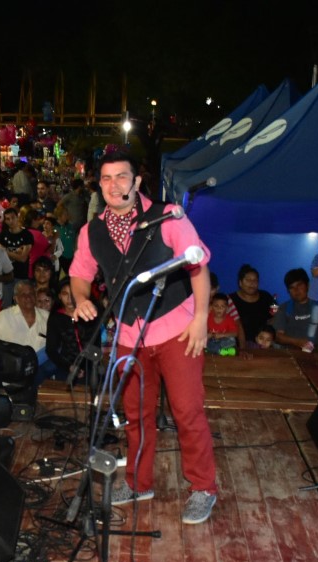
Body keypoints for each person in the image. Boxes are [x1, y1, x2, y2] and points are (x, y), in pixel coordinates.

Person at [68, 152, 218, 524]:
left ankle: (203, 488)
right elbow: (80, 273)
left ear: (137, 182)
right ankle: (139, 482)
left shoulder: (167, 217)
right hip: (128, 335)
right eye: (106, 179)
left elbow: (198, 267)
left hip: (176, 330)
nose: (114, 185)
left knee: (187, 411)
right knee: (136, 415)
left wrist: (200, 319)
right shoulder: (92, 231)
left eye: (122, 177)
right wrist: (82, 298)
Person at [229, 264, 276, 343]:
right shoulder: (230, 300)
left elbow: (274, 318)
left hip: (263, 345)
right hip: (236, 346)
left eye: (255, 280)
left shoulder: (266, 297)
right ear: (240, 282)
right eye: (248, 280)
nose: (252, 283)